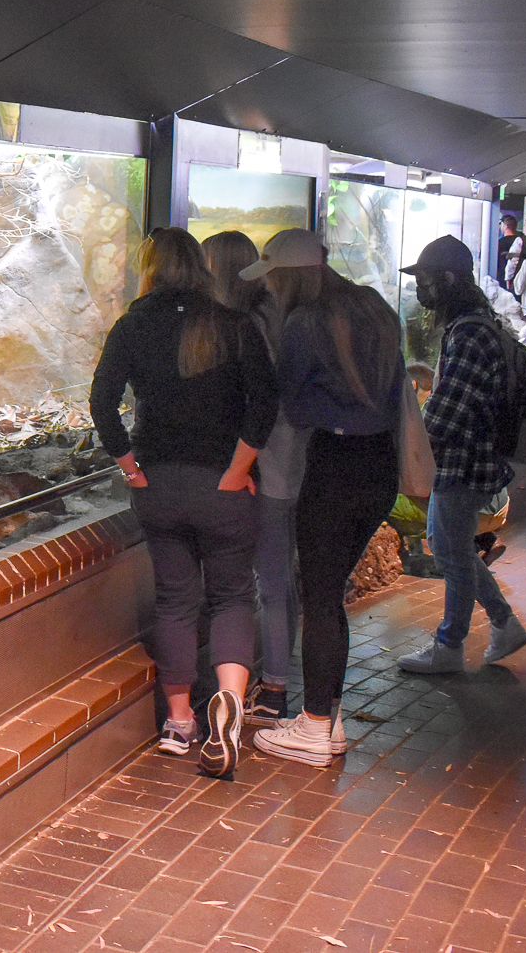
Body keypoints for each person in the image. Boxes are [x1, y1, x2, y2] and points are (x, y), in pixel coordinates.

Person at [90, 228, 278, 779]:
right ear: (199, 266)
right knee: (231, 597)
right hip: (224, 486)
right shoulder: (233, 324)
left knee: (175, 600)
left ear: (149, 268)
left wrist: (131, 468)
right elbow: (265, 401)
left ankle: (178, 722)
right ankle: (230, 702)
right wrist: (239, 468)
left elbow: (102, 402)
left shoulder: (132, 325)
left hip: (161, 486)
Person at [241, 229, 406, 767]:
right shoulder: (374, 307)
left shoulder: (305, 321)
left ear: (289, 276)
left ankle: (312, 728)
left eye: (273, 278)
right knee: (330, 594)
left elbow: (290, 403)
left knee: (318, 597)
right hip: (379, 464)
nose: (269, 288)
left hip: (334, 463)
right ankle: (328, 718)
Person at [397, 236, 526, 675]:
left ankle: (450, 646)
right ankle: (504, 623)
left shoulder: (470, 332)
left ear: (449, 280)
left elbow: (450, 410)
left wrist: (407, 440)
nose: (422, 291)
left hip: (465, 459)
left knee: (450, 552)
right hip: (472, 456)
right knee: (451, 547)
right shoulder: (474, 324)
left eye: (426, 281)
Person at [202, 230, 301, 723]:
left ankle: (275, 689)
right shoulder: (279, 312)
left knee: (271, 581)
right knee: (283, 578)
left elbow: (259, 401)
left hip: (271, 467)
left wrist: (242, 465)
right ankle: (277, 678)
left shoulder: (249, 324)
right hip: (297, 462)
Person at [497, 212, 524, 286]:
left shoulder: (500, 243)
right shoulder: (521, 241)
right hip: (518, 278)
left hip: (502, 278)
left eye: (501, 225)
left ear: (505, 226)